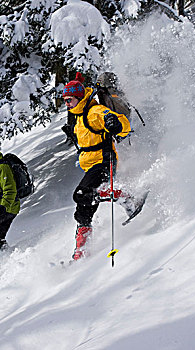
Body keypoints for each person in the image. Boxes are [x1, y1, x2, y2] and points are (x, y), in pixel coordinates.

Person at [62, 72, 145, 260]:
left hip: (103, 162)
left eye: (70, 100)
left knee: (82, 195)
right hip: (91, 165)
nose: (67, 104)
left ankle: (127, 197)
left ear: (79, 97)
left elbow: (123, 123)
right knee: (82, 211)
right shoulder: (78, 116)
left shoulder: (95, 112)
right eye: (65, 100)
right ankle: (81, 252)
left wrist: (114, 122)